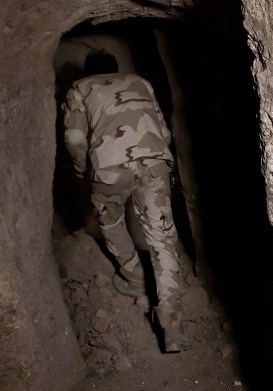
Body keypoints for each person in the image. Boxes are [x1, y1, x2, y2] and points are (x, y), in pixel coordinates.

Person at [62, 51, 189, 352]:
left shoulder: (80, 88)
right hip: (154, 164)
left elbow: (76, 138)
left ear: (89, 71)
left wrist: (83, 170)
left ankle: (134, 278)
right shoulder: (140, 82)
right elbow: (164, 131)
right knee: (161, 238)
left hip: (111, 168)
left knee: (111, 220)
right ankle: (172, 321)